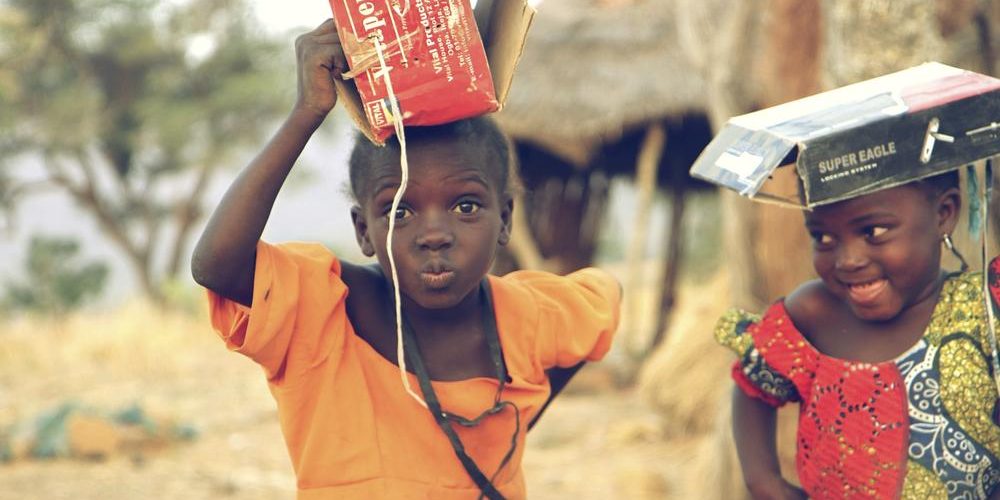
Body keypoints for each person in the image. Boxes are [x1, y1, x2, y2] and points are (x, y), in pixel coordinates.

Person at [190, 19, 621, 499]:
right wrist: (306, 112)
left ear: (504, 221)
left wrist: (520, 416)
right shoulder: (324, 314)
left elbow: (605, 300)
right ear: (363, 232)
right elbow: (217, 267)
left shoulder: (528, 315)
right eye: (399, 210)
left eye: (465, 206)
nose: (434, 235)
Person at [714, 169, 1000, 499]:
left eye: (873, 231)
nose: (848, 260)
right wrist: (763, 481)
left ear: (943, 214)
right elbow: (754, 383)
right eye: (823, 238)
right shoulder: (813, 317)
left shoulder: (983, 311)